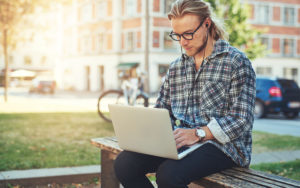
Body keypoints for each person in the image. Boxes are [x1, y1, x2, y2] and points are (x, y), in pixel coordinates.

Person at [114, 0, 256, 187]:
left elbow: (241, 119)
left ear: (207, 24)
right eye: (177, 35)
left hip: (225, 147)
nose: (182, 42)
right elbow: (163, 110)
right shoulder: (176, 68)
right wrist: (154, 135)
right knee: (124, 164)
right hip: (183, 143)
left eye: (188, 34)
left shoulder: (236, 62)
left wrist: (199, 133)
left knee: (169, 174)